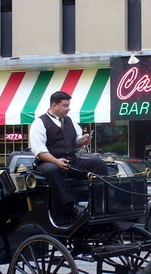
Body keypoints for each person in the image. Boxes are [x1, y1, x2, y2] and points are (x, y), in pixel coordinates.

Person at [28, 91, 110, 224]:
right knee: (52, 170)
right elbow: (39, 151)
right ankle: (70, 206)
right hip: (48, 162)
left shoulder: (69, 121)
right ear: (54, 105)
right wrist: (56, 161)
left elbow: (76, 141)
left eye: (68, 105)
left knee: (98, 164)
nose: (68, 109)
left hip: (71, 161)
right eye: (65, 105)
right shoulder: (39, 123)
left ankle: (102, 203)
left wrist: (82, 141)